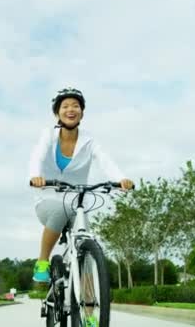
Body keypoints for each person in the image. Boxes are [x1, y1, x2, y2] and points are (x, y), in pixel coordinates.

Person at [29, 86, 134, 283]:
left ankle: (89, 309)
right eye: (65, 106)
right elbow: (38, 154)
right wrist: (35, 176)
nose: (71, 109)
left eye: (76, 106)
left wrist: (121, 179)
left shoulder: (89, 140)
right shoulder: (48, 136)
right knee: (60, 210)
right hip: (48, 198)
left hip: (77, 201)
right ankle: (43, 260)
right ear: (57, 113)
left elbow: (105, 160)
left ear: (82, 112)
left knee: (87, 242)